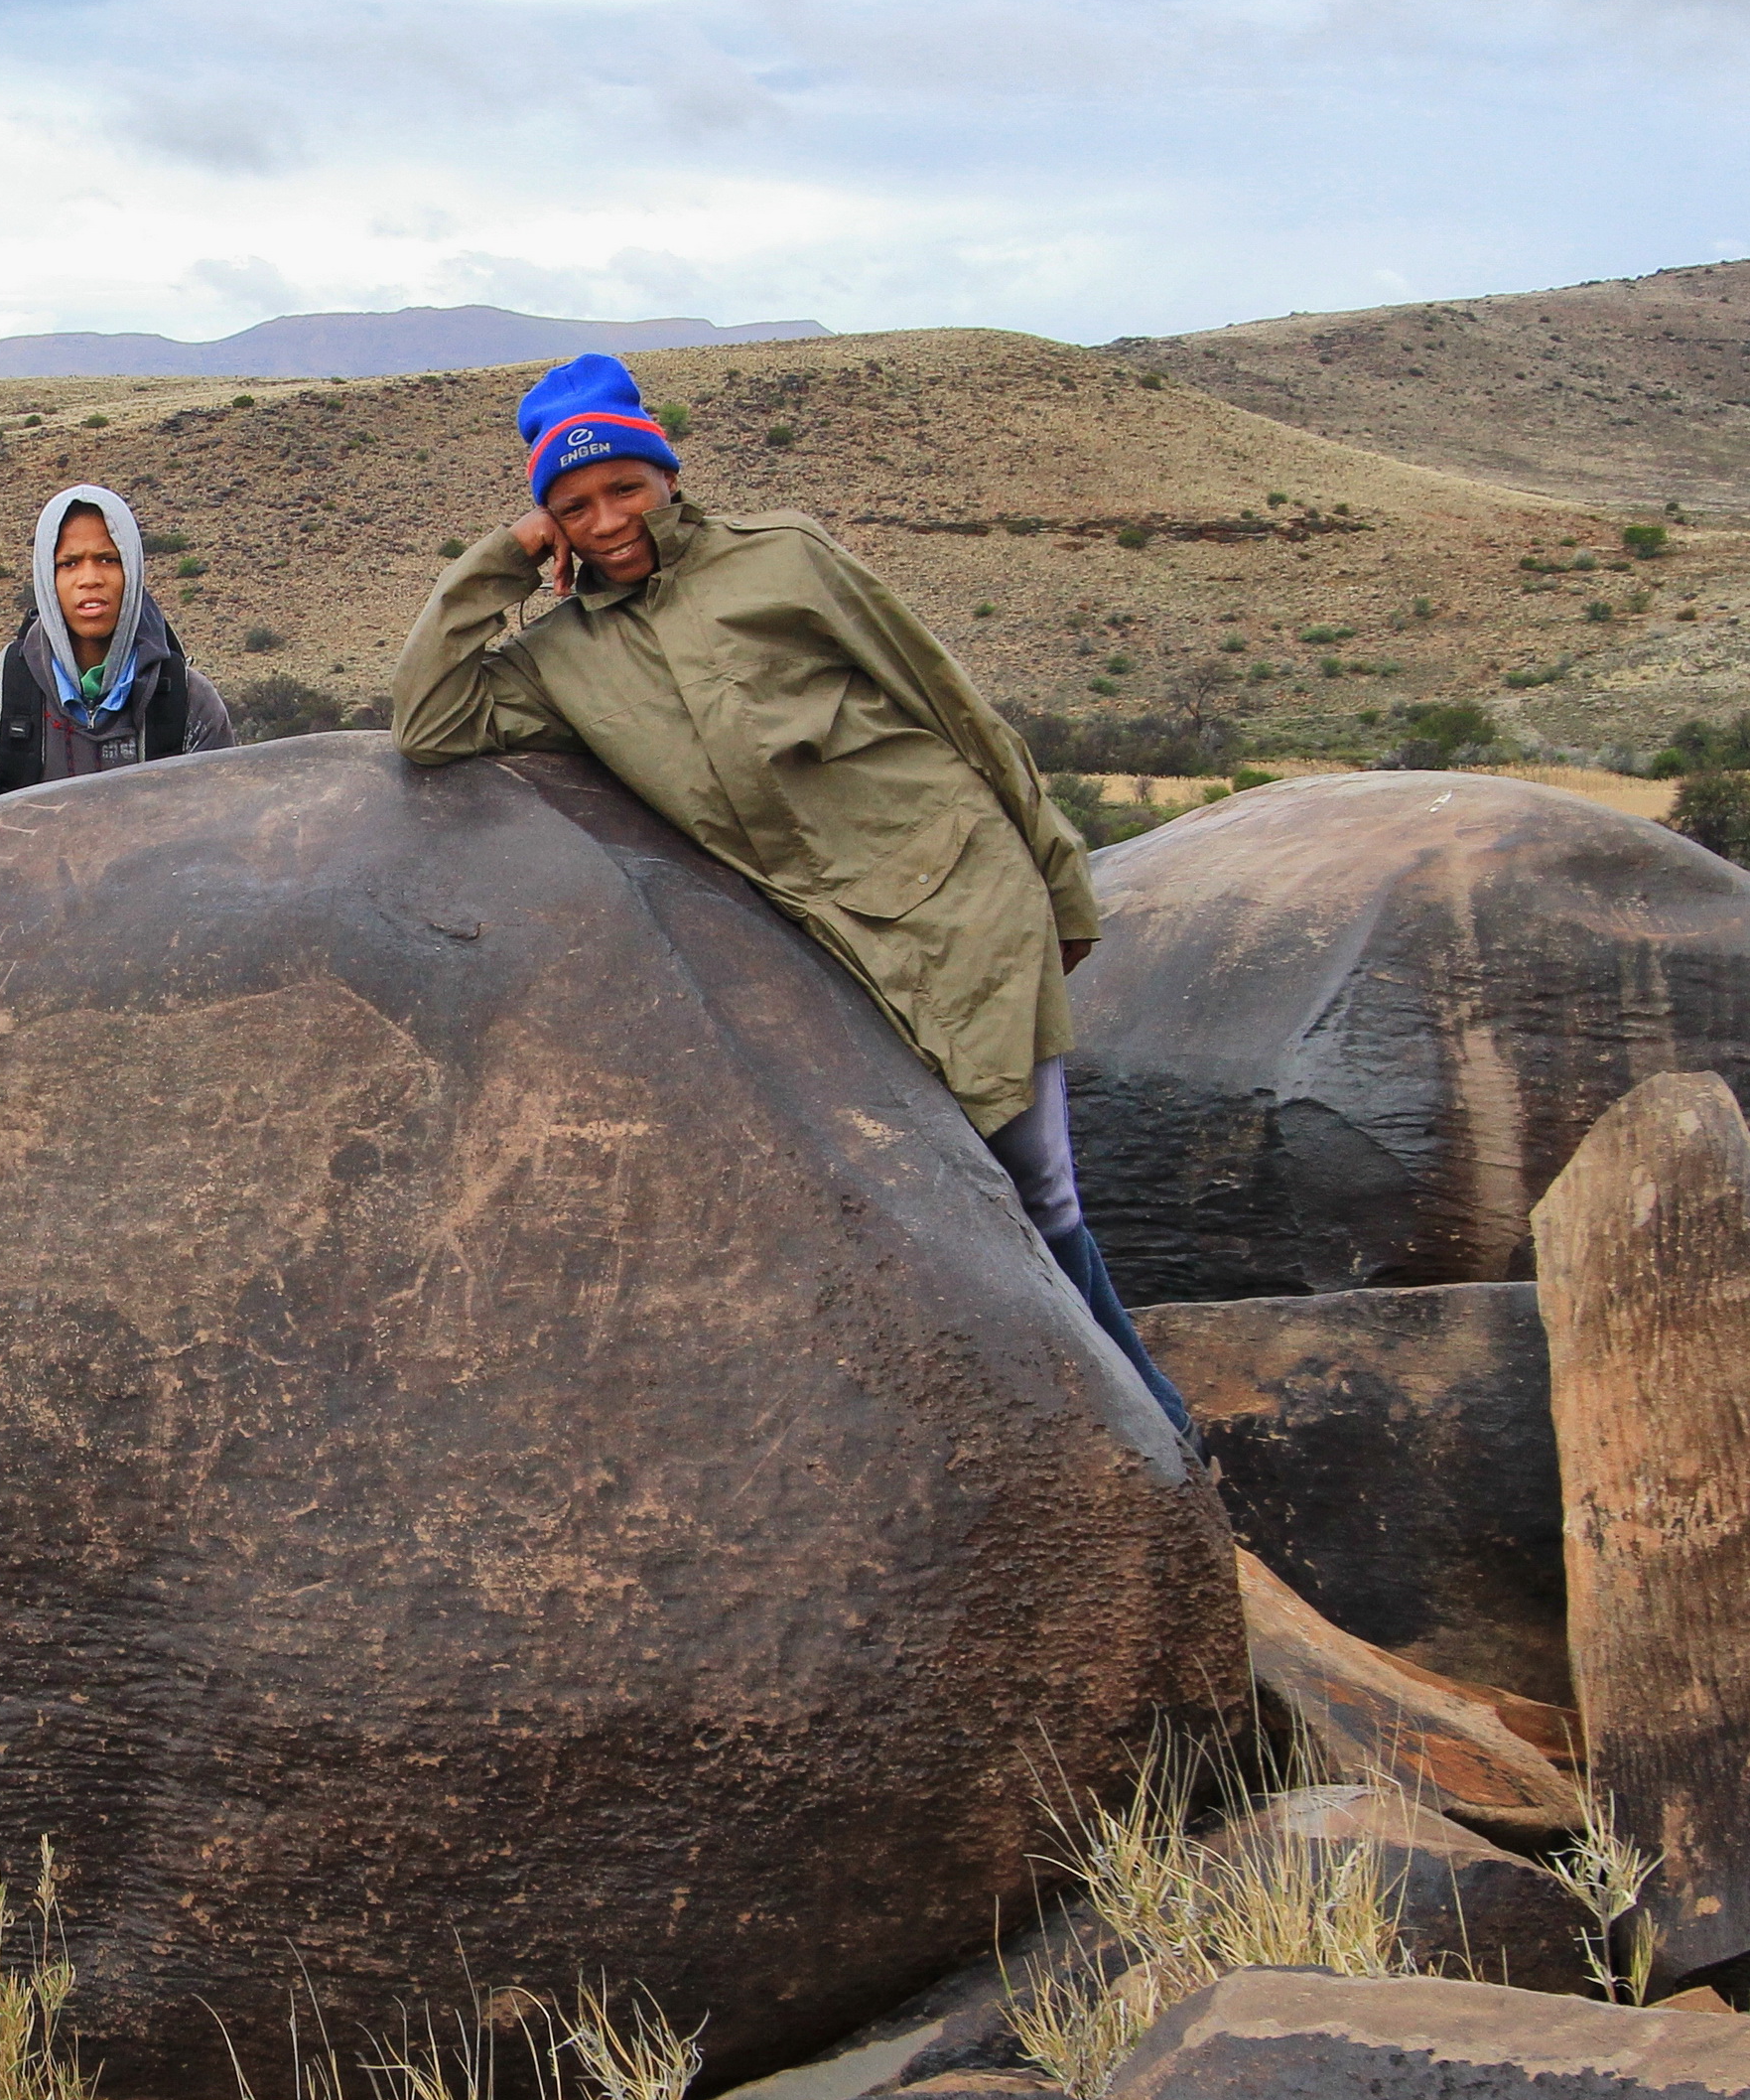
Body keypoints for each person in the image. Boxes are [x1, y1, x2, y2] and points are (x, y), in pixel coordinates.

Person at [389, 355, 1188, 1438]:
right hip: (827, 953)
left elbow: (948, 705)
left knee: (1030, 1190)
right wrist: (505, 558)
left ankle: (1154, 1437)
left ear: (664, 471)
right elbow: (428, 720)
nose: (606, 517)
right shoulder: (559, 657)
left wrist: (1056, 876)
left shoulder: (782, 559)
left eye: (622, 485)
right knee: (935, 1204)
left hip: (952, 902)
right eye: (571, 505)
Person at [0, 483, 236, 808]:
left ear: (132, 572)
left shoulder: (190, 702)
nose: (90, 578)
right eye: (69, 563)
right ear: (47, 579)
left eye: (108, 559)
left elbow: (226, 832)